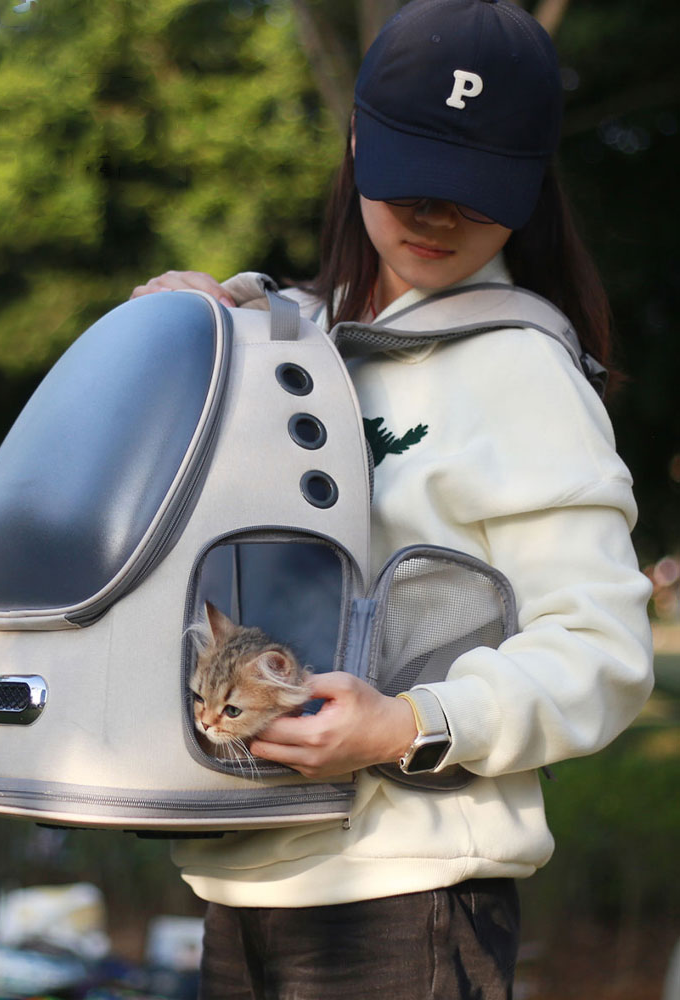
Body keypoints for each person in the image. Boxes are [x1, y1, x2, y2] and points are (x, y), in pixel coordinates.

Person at [131, 1, 653, 997]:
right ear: (359, 138)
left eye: (473, 188)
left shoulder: (521, 370)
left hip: (405, 892)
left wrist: (405, 722)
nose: (433, 216)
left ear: (530, 185)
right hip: (239, 877)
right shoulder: (290, 341)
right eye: (411, 175)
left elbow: (602, 651)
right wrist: (220, 316)